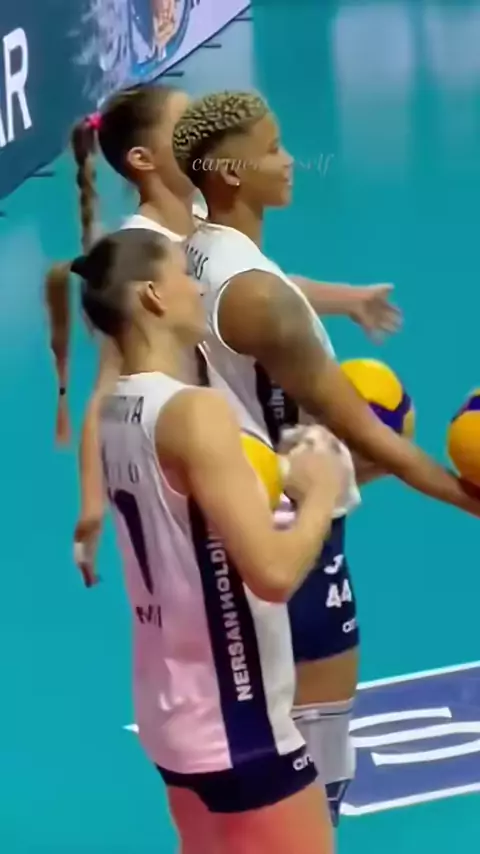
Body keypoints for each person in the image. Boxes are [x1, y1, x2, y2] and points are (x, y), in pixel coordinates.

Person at [171, 89, 480, 824]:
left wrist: (343, 301)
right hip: (293, 536)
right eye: (273, 148)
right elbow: (365, 433)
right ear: (230, 172)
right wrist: (464, 496)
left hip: (229, 514)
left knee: (257, 765)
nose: (290, 160)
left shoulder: (191, 250)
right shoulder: (260, 300)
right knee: (316, 769)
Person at [44, 82, 398, 582]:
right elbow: (108, 387)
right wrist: (92, 503)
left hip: (254, 437)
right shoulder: (139, 254)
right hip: (216, 458)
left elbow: (256, 290)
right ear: (143, 160)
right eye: (182, 129)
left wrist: (348, 300)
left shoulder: (200, 218)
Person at [75, 225, 345, 854]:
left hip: (171, 713)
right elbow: (272, 574)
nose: (197, 287)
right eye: (182, 274)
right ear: (152, 295)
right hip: (237, 719)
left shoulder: (115, 409)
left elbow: (192, 522)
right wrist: (321, 493)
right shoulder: (194, 412)